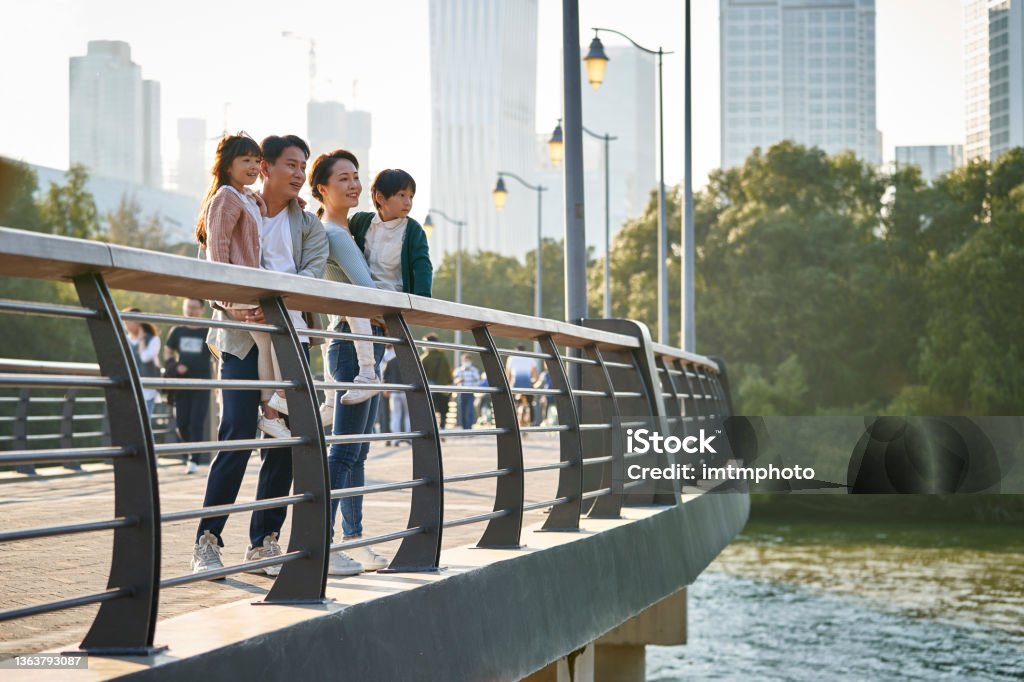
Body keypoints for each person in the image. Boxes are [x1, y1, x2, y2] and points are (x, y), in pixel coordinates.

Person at [190, 134, 328, 577]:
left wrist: (273, 300)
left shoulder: (308, 225)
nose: (299, 174)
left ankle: (264, 543)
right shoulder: (234, 203)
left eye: (303, 166)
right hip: (240, 339)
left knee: (282, 441)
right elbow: (216, 262)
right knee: (237, 433)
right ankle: (207, 540)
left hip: (289, 335)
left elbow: (310, 277)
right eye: (291, 164)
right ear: (264, 167)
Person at [310, 152, 424, 575]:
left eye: (356, 177)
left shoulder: (350, 229)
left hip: (366, 341)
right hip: (349, 345)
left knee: (357, 450)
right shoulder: (335, 234)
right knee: (345, 450)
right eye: (343, 179)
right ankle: (321, 544)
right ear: (322, 187)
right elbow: (366, 289)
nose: (353, 185)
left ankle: (353, 540)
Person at [193, 132, 291, 439]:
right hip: (240, 290)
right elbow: (218, 254)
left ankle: (272, 410)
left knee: (268, 343)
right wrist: (230, 302)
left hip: (253, 288)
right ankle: (274, 407)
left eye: (255, 160)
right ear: (227, 165)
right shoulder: (224, 198)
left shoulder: (247, 196)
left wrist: (295, 200)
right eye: (244, 160)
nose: (252, 166)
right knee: (270, 342)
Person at [164, 298, 213, 474]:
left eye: (194, 307)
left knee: (196, 422)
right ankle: (188, 453)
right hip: (182, 382)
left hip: (202, 382)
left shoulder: (207, 331)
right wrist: (174, 365)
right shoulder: (177, 330)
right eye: (188, 307)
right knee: (182, 423)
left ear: (201, 310)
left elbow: (216, 355)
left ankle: (194, 459)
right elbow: (168, 351)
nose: (190, 311)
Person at [123, 308, 161, 416]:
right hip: (130, 388)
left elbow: (145, 358)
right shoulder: (125, 339)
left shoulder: (153, 339)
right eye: (125, 322)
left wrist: (141, 340)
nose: (126, 325)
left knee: (144, 423)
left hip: (147, 390)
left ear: (138, 321)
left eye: (128, 322)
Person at [420, 333, 453, 432]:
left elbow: (420, 374)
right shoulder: (443, 357)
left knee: (431, 410)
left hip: (430, 389)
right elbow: (449, 373)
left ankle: (432, 429)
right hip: (443, 389)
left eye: (425, 343)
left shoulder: (424, 358)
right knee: (443, 410)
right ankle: (442, 428)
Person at [383, 345, 410, 442]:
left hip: (394, 392)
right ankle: (409, 437)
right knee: (408, 415)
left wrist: (386, 389)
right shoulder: (408, 362)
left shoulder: (390, 361)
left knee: (395, 415)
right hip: (406, 391)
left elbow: (385, 376)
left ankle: (395, 439)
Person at [506, 346, 538, 428]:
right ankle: (532, 422)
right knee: (530, 403)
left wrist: (508, 385)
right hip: (527, 384)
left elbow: (508, 375)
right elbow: (535, 375)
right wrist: (533, 383)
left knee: (513, 403)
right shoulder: (530, 358)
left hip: (515, 384)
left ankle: (512, 421)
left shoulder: (511, 358)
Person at [453, 353, 481, 430]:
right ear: (462, 361)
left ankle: (469, 428)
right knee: (462, 411)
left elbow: (478, 381)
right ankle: (464, 428)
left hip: (470, 393)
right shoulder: (458, 370)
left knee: (469, 411)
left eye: (468, 361)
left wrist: (474, 386)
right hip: (461, 393)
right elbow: (454, 382)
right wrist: (458, 380)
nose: (467, 362)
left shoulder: (474, 370)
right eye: (465, 361)